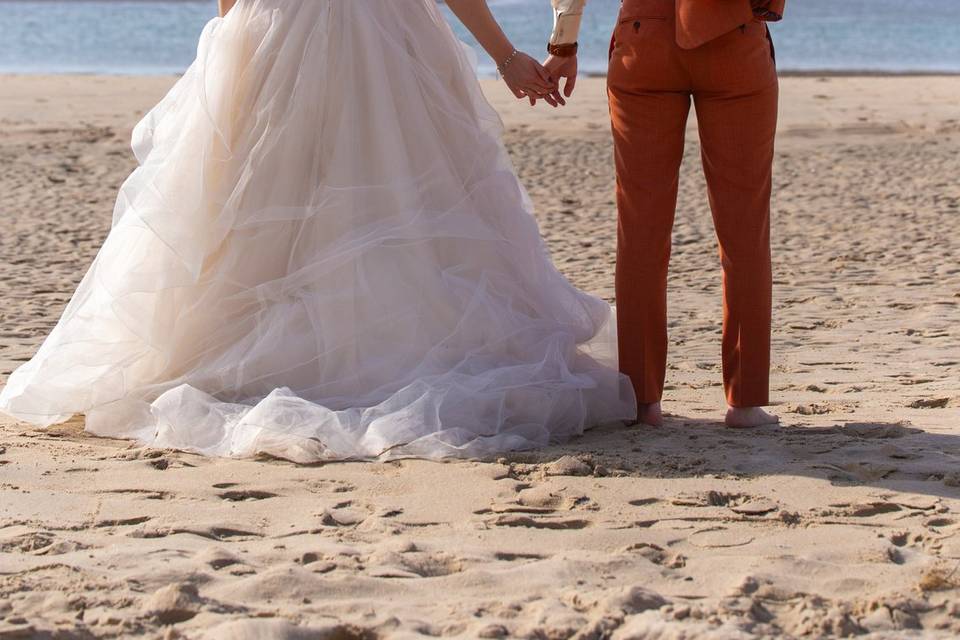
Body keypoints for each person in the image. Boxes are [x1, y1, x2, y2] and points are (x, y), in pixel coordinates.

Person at [0, 0, 637, 462]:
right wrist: (502, 54)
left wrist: (235, 37)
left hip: (293, 26)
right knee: (376, 192)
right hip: (370, 34)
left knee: (281, 201)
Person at [544, 0, 785, 429]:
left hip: (644, 41)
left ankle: (641, 400)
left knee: (640, 232)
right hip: (734, 40)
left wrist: (563, 45)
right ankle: (746, 402)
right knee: (745, 232)